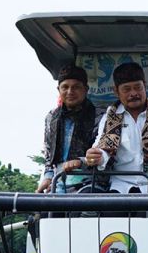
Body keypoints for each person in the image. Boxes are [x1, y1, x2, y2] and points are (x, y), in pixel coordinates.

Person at [84, 63, 148, 193]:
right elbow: (102, 150)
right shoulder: (109, 118)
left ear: (144, 86)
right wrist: (96, 156)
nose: (133, 93)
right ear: (116, 91)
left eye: (138, 87)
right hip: (121, 188)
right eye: (127, 89)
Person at [37, 64, 103, 193]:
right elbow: (49, 155)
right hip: (58, 181)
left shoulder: (101, 116)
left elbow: (106, 153)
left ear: (86, 89)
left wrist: (81, 162)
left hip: (91, 181)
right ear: (58, 90)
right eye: (65, 87)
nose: (70, 92)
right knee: (42, 211)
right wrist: (48, 177)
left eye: (76, 87)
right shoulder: (51, 117)